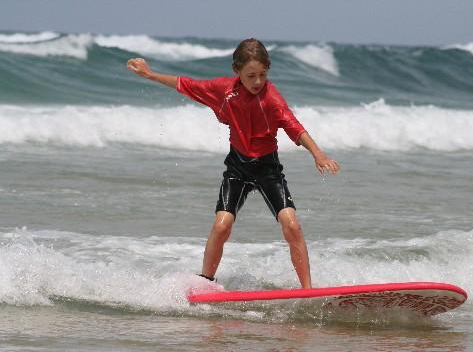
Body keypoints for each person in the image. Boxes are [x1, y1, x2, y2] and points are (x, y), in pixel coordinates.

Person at [127, 38, 340, 289]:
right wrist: (150, 74)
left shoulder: (272, 98)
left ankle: (308, 291)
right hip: (237, 167)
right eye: (251, 76)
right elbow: (187, 84)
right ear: (236, 71)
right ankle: (205, 283)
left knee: (292, 225)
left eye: (263, 74)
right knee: (221, 225)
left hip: (268, 169)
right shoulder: (225, 91)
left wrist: (318, 153)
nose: (258, 81)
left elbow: (294, 126)